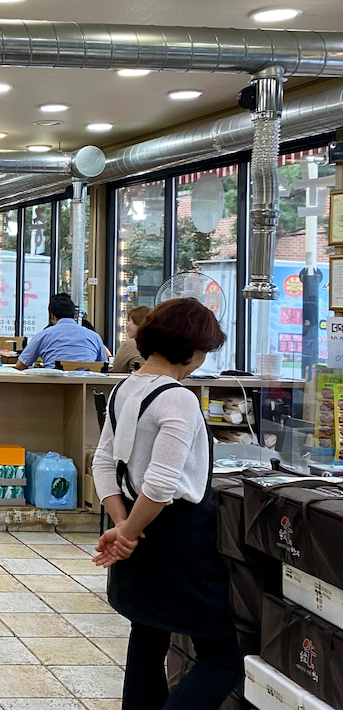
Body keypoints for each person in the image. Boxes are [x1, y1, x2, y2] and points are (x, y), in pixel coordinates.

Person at [91, 298, 240, 710]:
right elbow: (160, 483)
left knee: (148, 639)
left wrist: (124, 526)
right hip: (178, 538)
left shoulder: (125, 386)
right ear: (190, 348)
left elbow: (104, 463)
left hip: (140, 532)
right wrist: (128, 532)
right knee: (223, 659)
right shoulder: (178, 398)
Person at [14, 293, 107, 369]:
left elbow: (20, 365)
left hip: (54, 387)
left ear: (52, 316)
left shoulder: (43, 335)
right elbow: (102, 366)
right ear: (74, 315)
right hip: (88, 388)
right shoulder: (94, 336)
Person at [111, 305, 152, 373]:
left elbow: (116, 371)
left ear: (139, 323)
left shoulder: (130, 344)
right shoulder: (161, 344)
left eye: (129, 321)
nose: (126, 325)